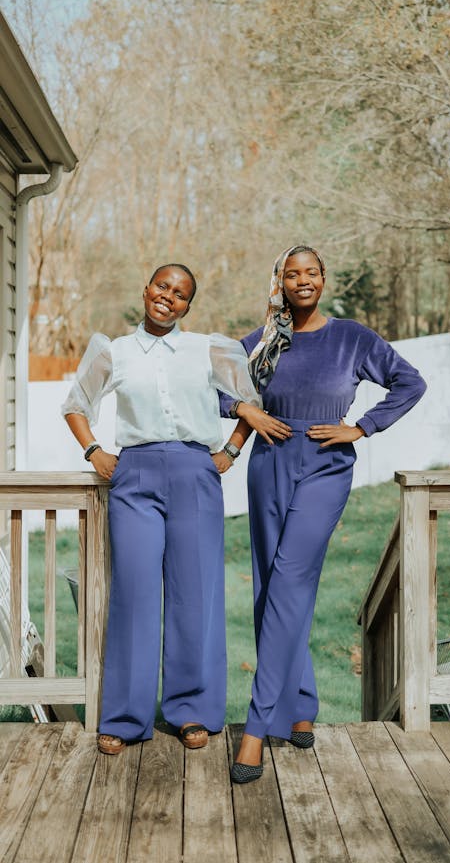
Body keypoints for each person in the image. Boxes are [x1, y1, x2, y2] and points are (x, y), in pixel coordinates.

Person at [218, 245, 427, 782]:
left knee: (289, 580)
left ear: (323, 279)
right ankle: (303, 699)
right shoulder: (266, 339)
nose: (303, 281)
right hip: (267, 464)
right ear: (280, 282)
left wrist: (361, 427)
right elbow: (219, 384)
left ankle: (258, 725)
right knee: (273, 585)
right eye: (293, 274)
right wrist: (248, 410)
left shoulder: (352, 337)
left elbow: (410, 382)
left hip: (325, 468)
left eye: (311, 273)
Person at [62, 263, 260, 754]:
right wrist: (94, 451)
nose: (168, 297)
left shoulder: (207, 348)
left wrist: (231, 450)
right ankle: (126, 717)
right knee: (134, 594)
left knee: (195, 596)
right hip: (135, 477)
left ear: (188, 306)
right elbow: (76, 404)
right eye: (162, 287)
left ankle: (192, 710)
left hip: (196, 474)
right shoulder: (115, 350)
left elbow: (252, 399)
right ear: (146, 289)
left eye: (180, 294)